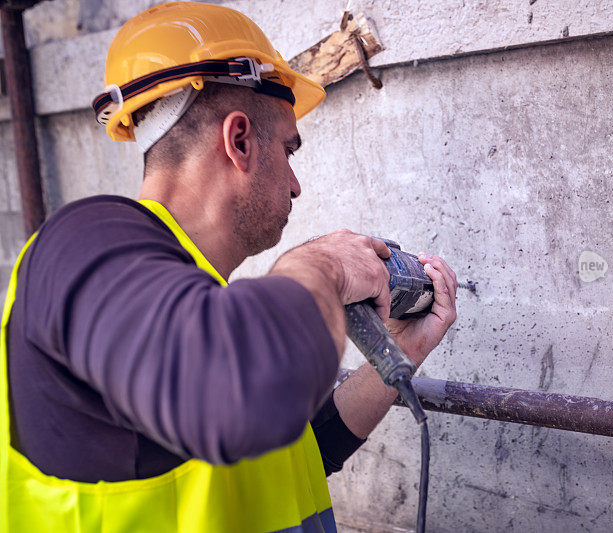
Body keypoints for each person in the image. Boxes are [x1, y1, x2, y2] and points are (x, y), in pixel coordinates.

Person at [0, 2, 457, 532]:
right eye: (290, 150)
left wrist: (399, 353)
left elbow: (291, 455)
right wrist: (321, 268)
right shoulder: (81, 246)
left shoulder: (189, 300)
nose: (295, 183)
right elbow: (239, 394)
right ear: (239, 141)